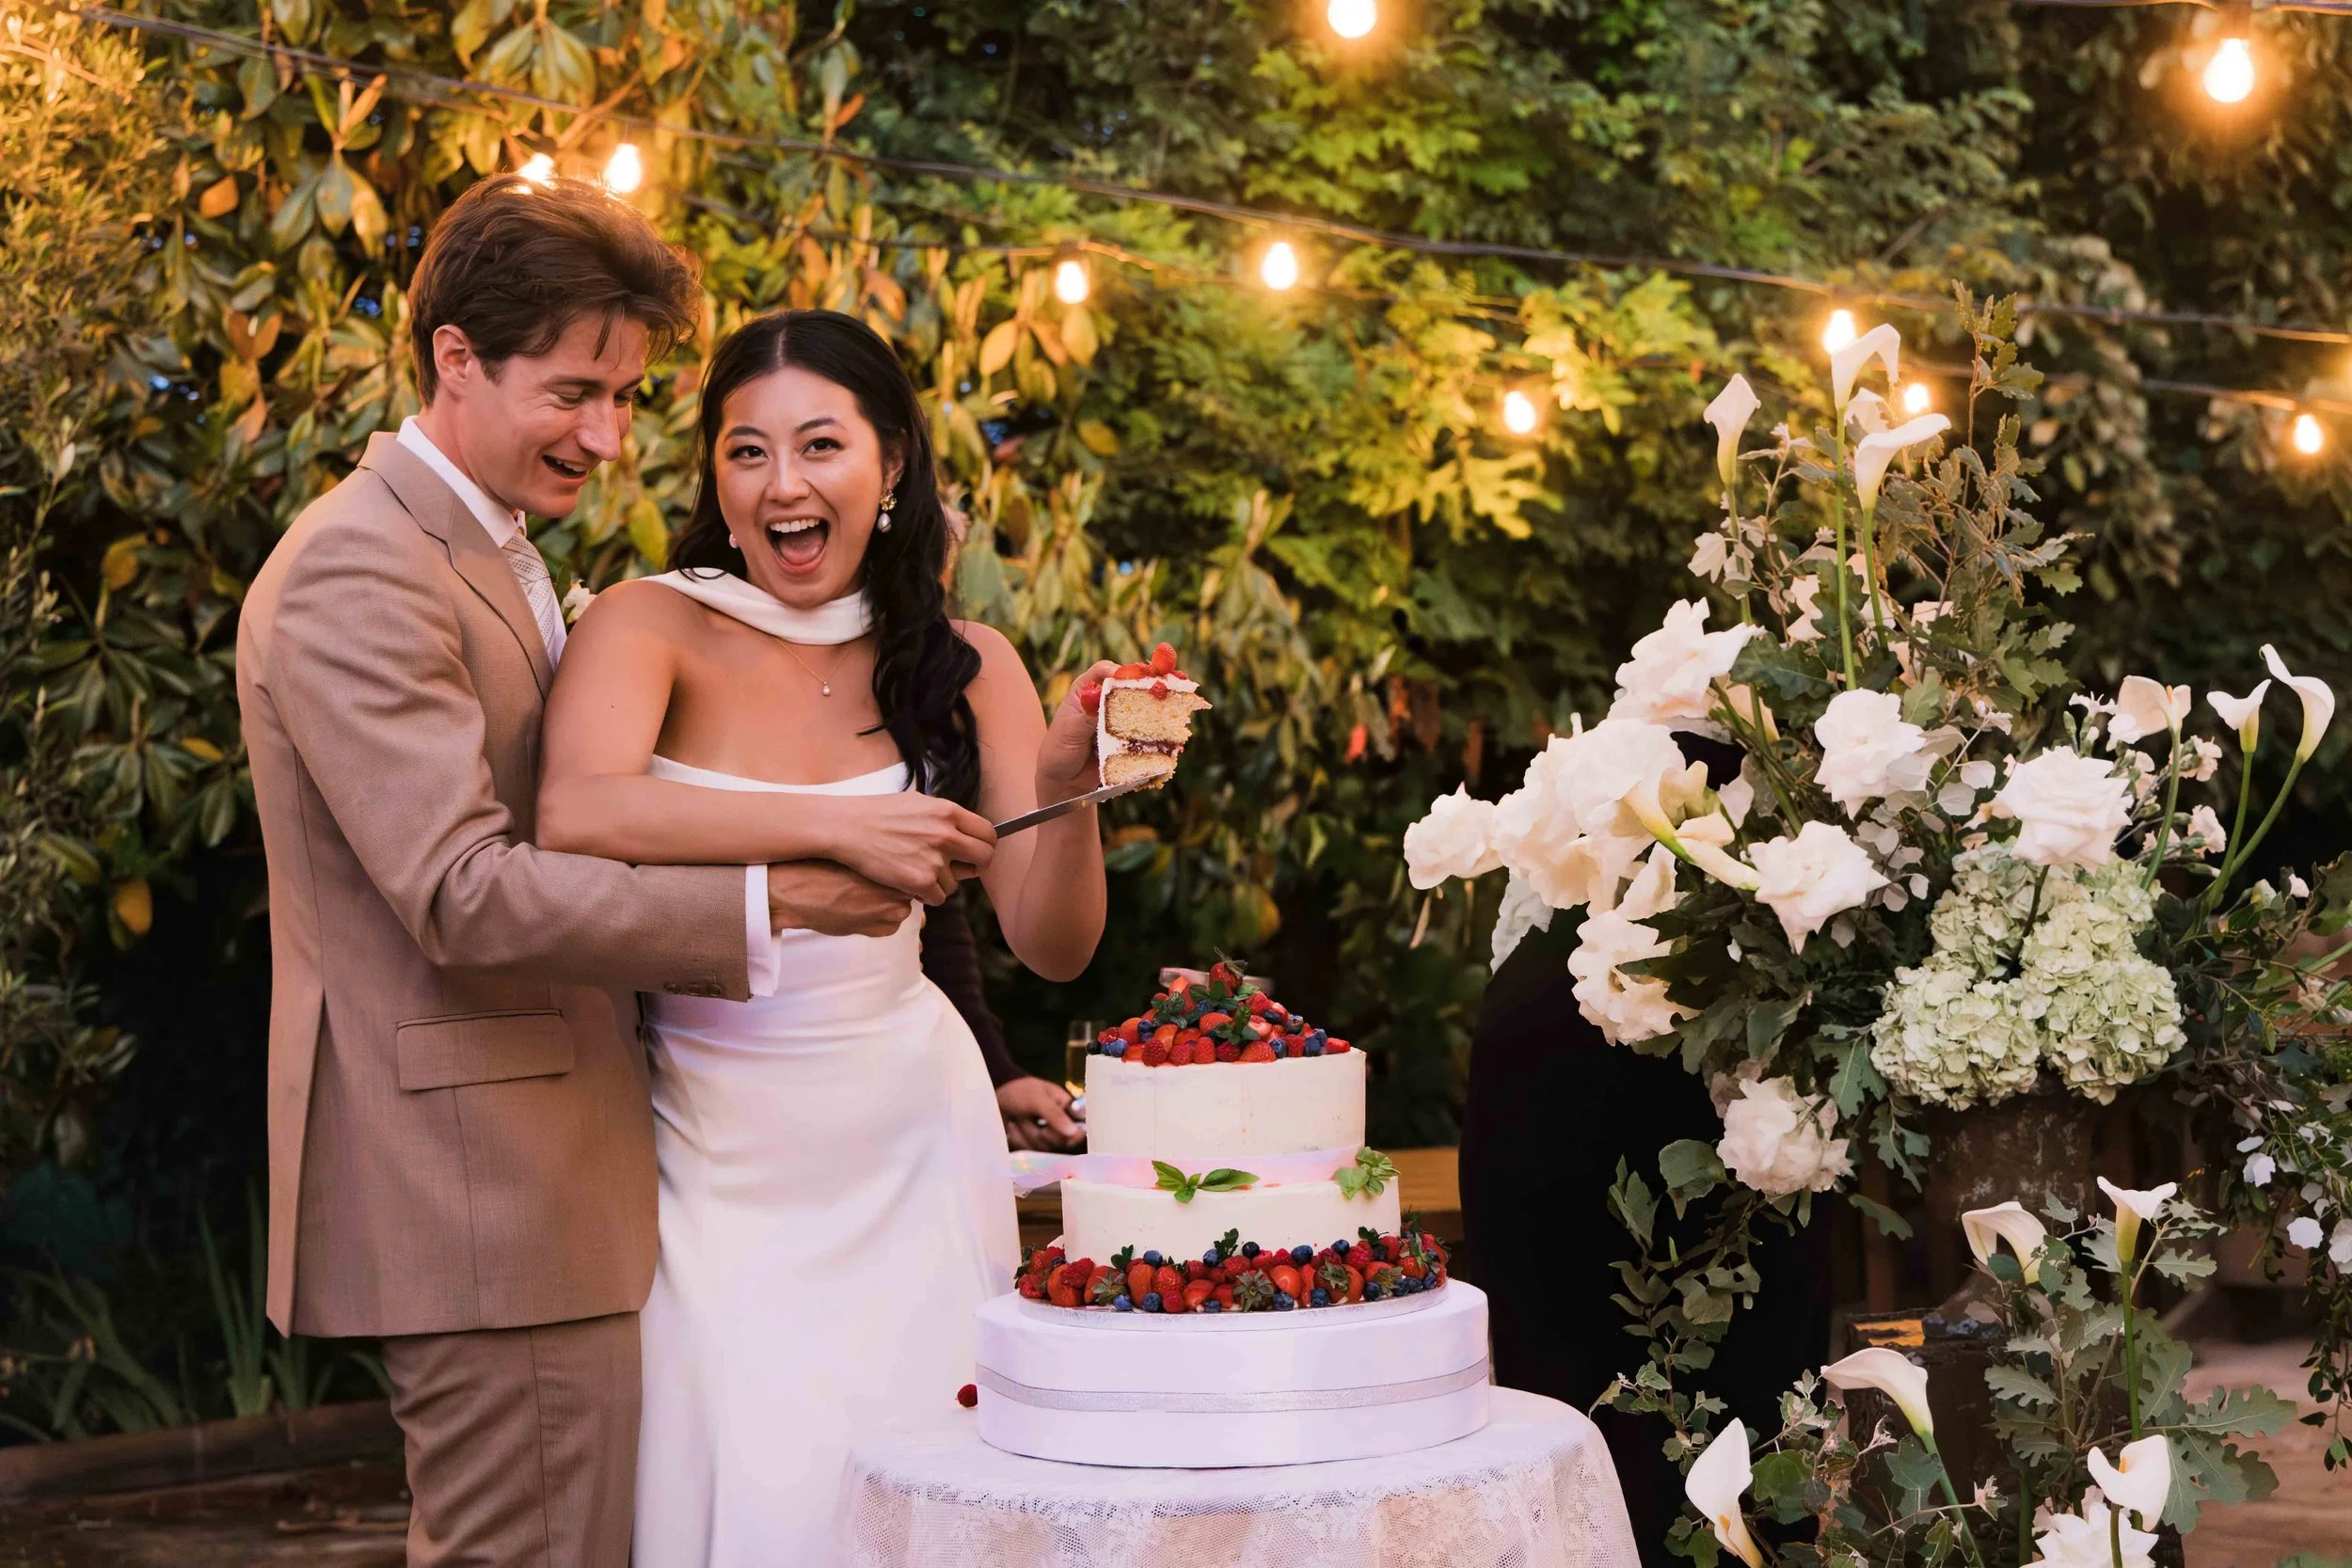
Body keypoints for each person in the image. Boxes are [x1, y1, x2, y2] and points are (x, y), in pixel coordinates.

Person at [236, 176, 955, 1567]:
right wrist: (778, 894)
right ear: (456, 357)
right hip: (483, 1189)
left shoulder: (487, 556)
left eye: (625, 397)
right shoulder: (360, 570)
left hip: (568, 1175)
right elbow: (461, 891)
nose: (609, 437)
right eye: (575, 392)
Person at [532, 308, 1112, 1564]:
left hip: (911, 1137)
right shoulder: (649, 624)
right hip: (706, 1150)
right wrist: (838, 835)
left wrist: (1067, 787)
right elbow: (574, 809)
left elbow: (1051, 941)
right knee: (758, 1488)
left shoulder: (970, 664)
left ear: (891, 463)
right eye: (746, 451)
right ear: (716, 477)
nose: (782, 484)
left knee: (930, 1493)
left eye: (819, 446)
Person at [1458, 735, 1832, 1567]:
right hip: (1654, 1151)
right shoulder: (1728, 921)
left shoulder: (1551, 922)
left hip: (1559, 1197)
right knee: (1729, 1454)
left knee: (1576, 1441)